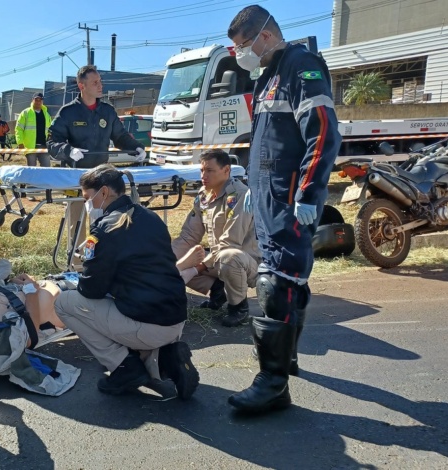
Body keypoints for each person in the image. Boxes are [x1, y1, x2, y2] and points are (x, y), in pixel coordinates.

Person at [226, 5, 341, 413]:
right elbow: (266, 137)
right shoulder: (267, 76)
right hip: (269, 193)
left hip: (291, 198)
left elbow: (324, 131)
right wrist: (252, 184)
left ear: (266, 36)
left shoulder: (301, 65)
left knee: (275, 283)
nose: (241, 54)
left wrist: (310, 191)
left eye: (243, 46)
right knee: (289, 279)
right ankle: (286, 357)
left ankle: (272, 383)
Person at [53, 164, 198, 400]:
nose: (88, 204)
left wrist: (76, 283)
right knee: (122, 306)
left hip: (147, 323)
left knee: (65, 303)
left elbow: (91, 289)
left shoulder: (105, 230)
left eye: (88, 197)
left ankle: (124, 367)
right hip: (175, 317)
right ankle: (164, 360)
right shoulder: (151, 218)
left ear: (104, 193)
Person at [47, 66, 146, 270]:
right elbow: (52, 142)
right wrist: (68, 150)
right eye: (95, 83)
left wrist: (137, 147)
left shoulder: (107, 111)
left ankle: (106, 263)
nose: (100, 86)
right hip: (77, 179)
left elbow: (119, 136)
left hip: (103, 180)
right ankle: (76, 266)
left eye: (100, 81)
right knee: (78, 223)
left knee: (109, 222)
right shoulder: (68, 112)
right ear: (82, 86)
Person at [171, 149, 260, 327]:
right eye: (202, 170)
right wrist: (165, 260)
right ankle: (218, 291)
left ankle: (238, 308)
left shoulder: (239, 196)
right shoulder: (204, 195)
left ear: (226, 170)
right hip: (217, 258)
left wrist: (195, 269)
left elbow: (230, 242)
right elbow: (189, 236)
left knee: (229, 257)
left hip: (247, 262)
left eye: (210, 170)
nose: (204, 175)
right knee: (176, 258)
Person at [15, 92, 52, 167]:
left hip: (44, 146)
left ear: (42, 101)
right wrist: (20, 142)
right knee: (31, 169)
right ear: (32, 100)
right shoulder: (25, 113)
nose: (38, 102)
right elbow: (19, 129)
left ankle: (43, 179)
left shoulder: (46, 114)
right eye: (36, 100)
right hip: (30, 146)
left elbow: (50, 130)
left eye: (40, 100)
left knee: (47, 169)